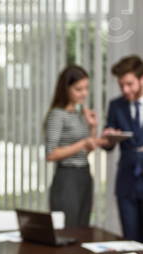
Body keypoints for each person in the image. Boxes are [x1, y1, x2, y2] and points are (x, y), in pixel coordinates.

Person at [45, 65, 103, 228]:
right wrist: (82, 143)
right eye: (79, 89)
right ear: (66, 89)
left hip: (84, 175)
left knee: (82, 229)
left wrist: (92, 127)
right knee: (68, 229)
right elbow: (51, 154)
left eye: (86, 88)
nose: (84, 93)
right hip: (67, 178)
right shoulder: (57, 115)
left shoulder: (78, 115)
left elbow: (86, 150)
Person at [102, 55, 143, 242]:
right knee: (130, 241)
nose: (125, 90)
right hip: (126, 181)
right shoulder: (116, 106)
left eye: (130, 84)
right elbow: (109, 147)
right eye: (121, 85)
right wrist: (109, 137)